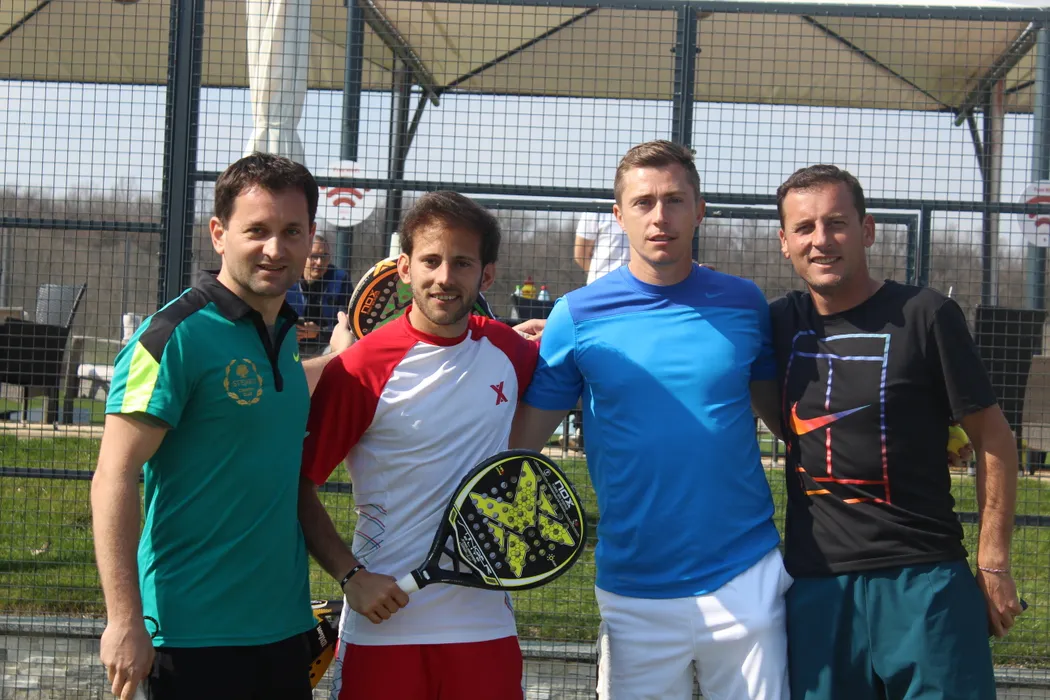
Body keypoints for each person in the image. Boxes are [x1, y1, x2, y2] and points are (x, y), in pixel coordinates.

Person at [511, 140, 789, 700]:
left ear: (699, 210)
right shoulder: (576, 314)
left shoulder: (745, 303)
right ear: (619, 215)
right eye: (643, 202)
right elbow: (519, 445)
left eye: (674, 200)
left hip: (747, 576)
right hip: (634, 590)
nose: (660, 216)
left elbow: (786, 421)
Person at [91, 152, 352, 700]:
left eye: (292, 231)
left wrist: (337, 358)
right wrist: (123, 619)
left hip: (283, 629)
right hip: (190, 636)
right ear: (218, 234)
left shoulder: (282, 333)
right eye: (257, 230)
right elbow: (114, 474)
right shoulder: (172, 337)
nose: (275, 248)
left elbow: (267, 392)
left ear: (309, 239)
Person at [770, 164, 1023, 700]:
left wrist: (994, 563)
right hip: (818, 585)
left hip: (923, 579)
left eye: (837, 223)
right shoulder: (775, 324)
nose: (821, 240)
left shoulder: (927, 315)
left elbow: (995, 439)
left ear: (867, 230)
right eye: (804, 227)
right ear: (785, 242)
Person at [297, 191, 539, 700]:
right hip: (384, 626)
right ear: (404, 268)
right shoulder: (359, 370)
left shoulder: (511, 351)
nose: (444, 277)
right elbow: (297, 489)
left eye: (462, 263)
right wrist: (350, 576)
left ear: (486, 276)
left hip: (485, 626)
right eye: (430, 260)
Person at [286, 229, 353, 351]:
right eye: (314, 256)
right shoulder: (287, 278)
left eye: (324, 256)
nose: (319, 262)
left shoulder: (340, 280)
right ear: (303, 256)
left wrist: (319, 331)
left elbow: (348, 323)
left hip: (326, 346)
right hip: (289, 345)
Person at [574, 211, 630, 285]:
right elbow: (580, 255)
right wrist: (599, 277)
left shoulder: (641, 211)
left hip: (635, 285)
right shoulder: (593, 211)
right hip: (600, 284)